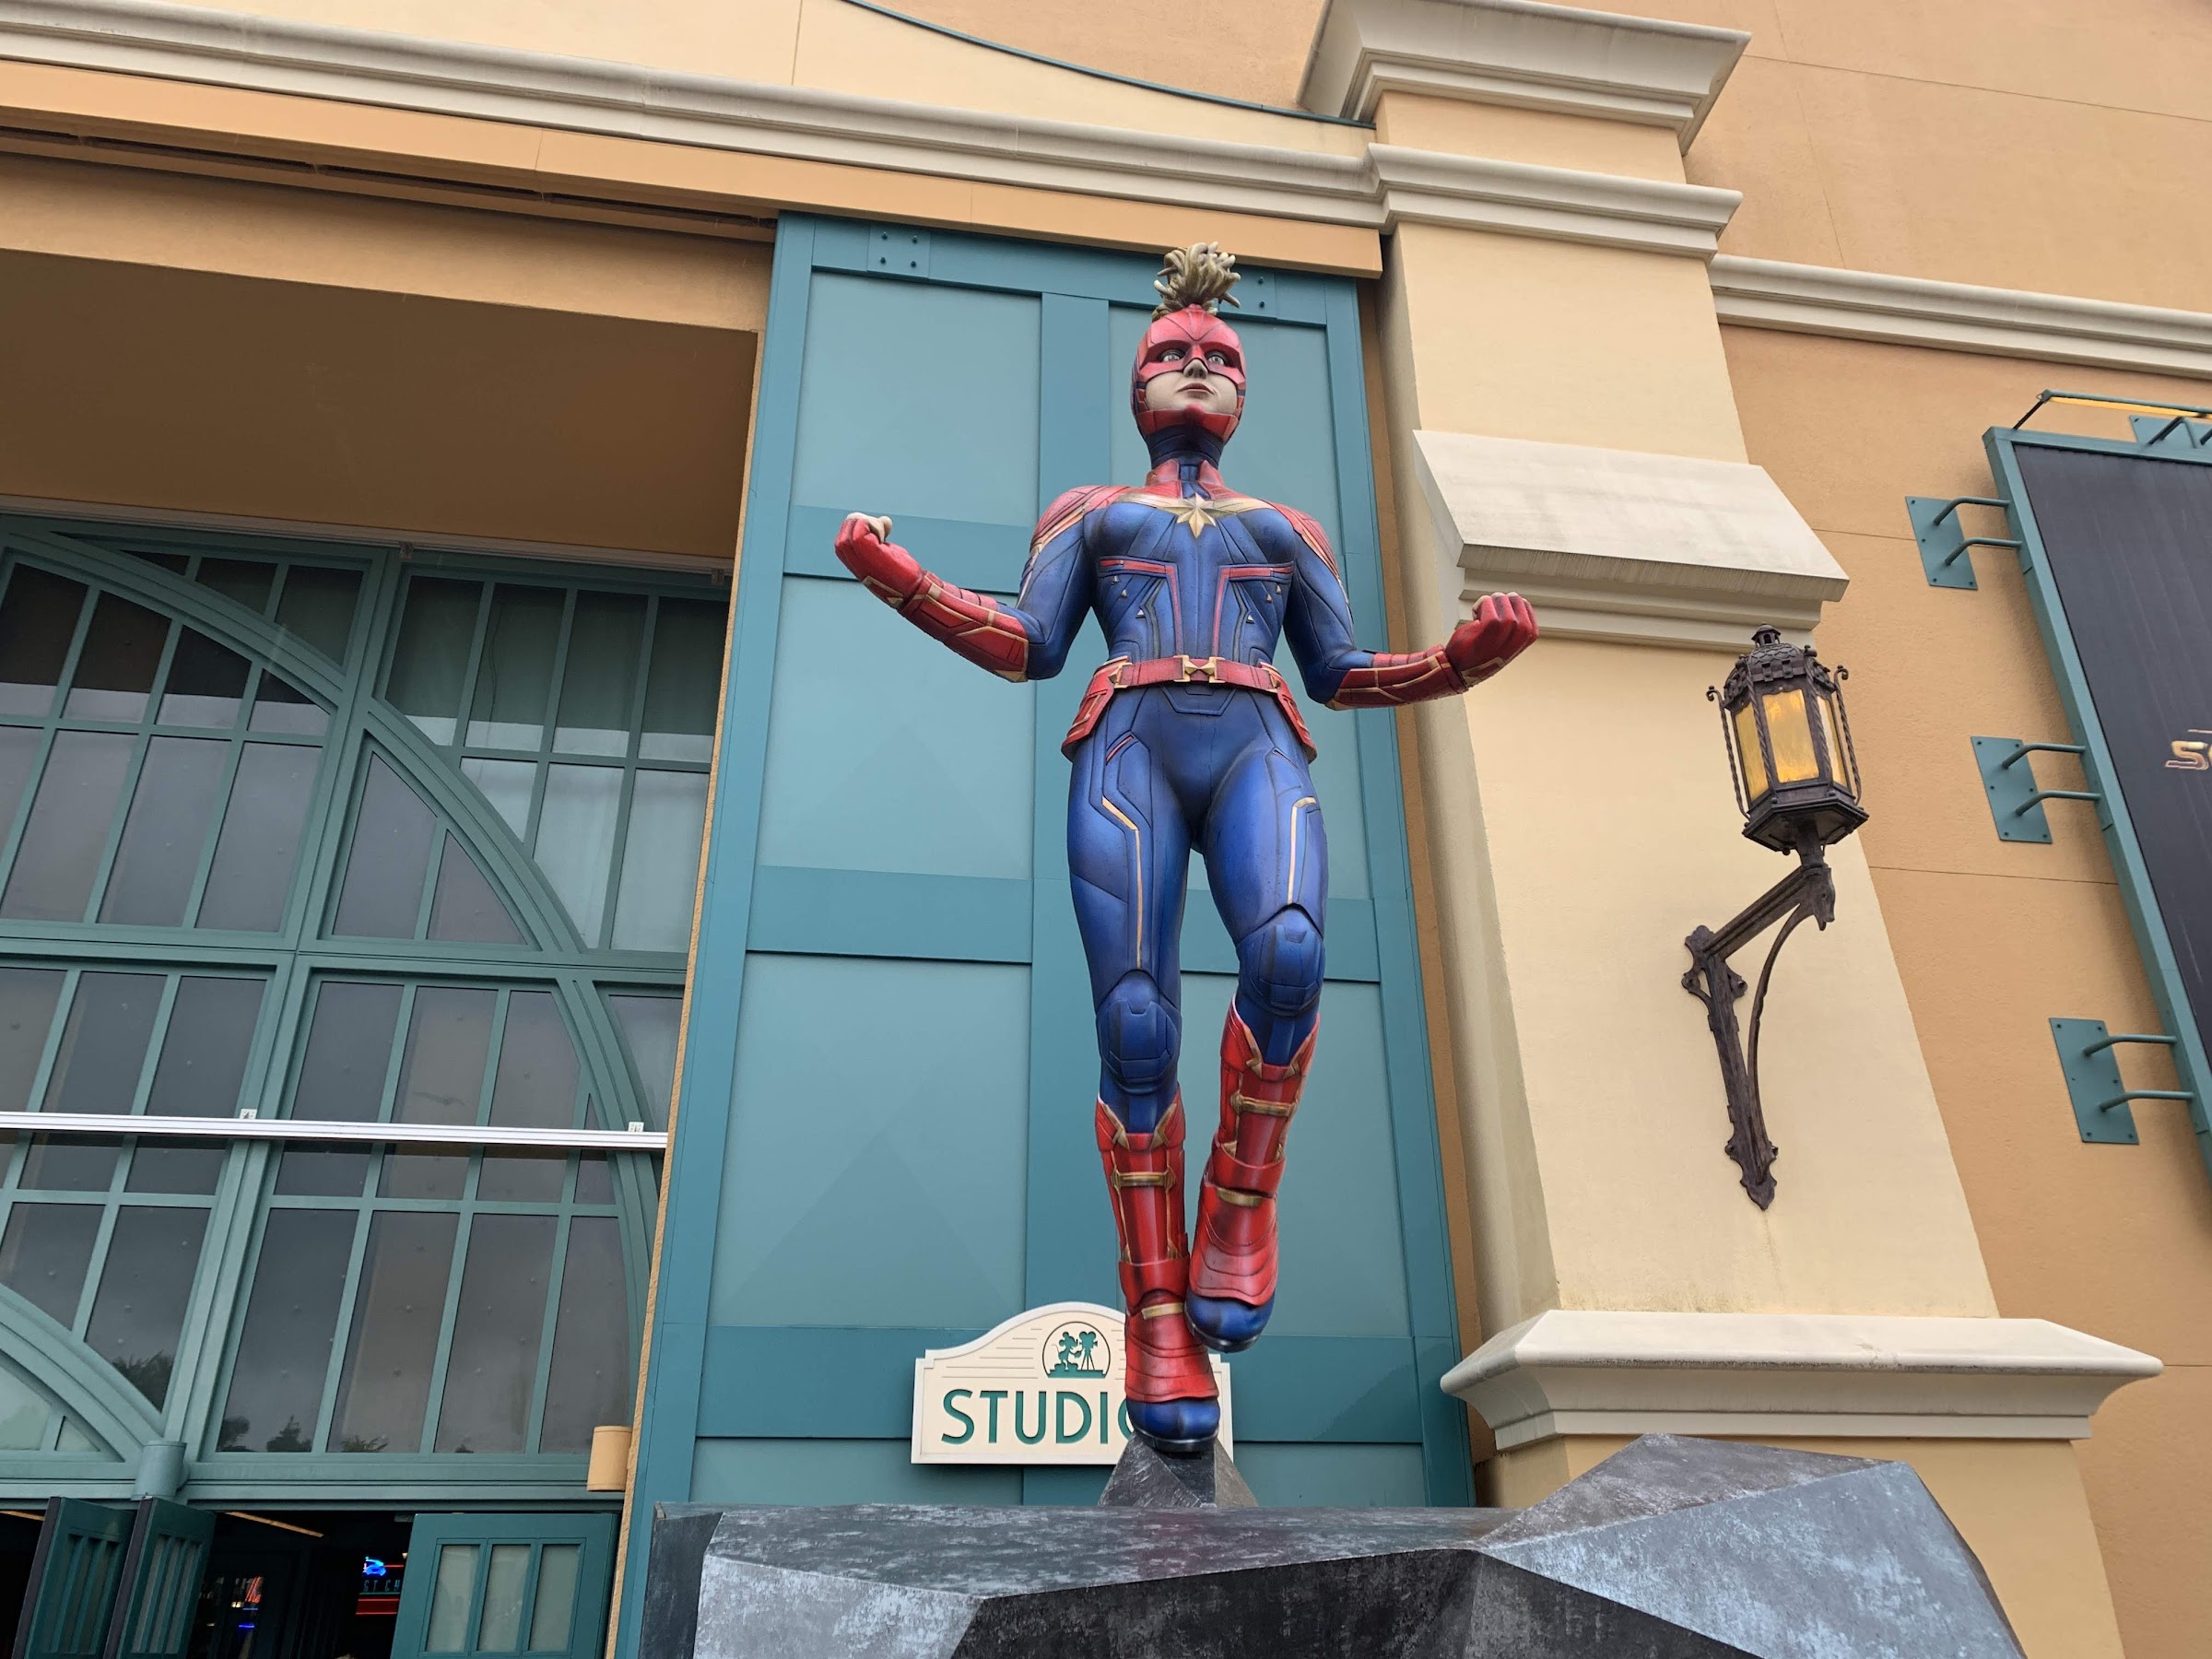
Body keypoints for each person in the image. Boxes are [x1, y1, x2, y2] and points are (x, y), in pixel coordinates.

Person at [834, 242, 1537, 1453]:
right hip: (1129, 745)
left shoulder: (1287, 527)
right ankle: (1157, 1308)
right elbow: (1028, 643)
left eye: (1220, 356)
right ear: (1139, 382)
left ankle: (1242, 1202)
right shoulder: (1091, 513)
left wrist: (1452, 663)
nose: (1200, 364)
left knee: (1292, 952)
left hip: (1259, 736)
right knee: (1135, 1023)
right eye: (1175, 351)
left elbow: (1338, 670)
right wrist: (900, 581)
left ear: (1244, 390)